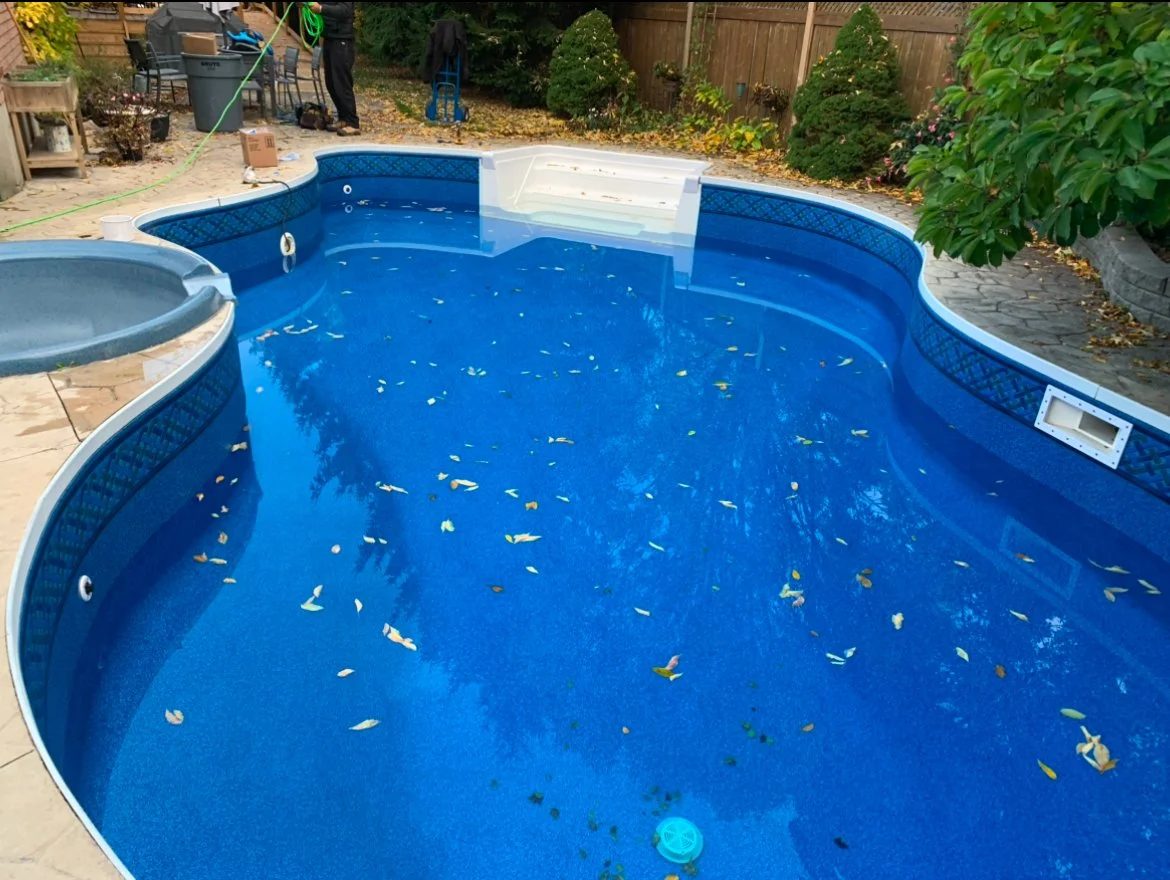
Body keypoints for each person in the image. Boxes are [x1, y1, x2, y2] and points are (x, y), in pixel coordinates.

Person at [309, 2, 359, 136]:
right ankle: (343, 118)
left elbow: (345, 10)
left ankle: (353, 123)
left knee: (342, 83)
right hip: (330, 37)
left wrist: (321, 9)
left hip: (343, 39)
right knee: (331, 83)